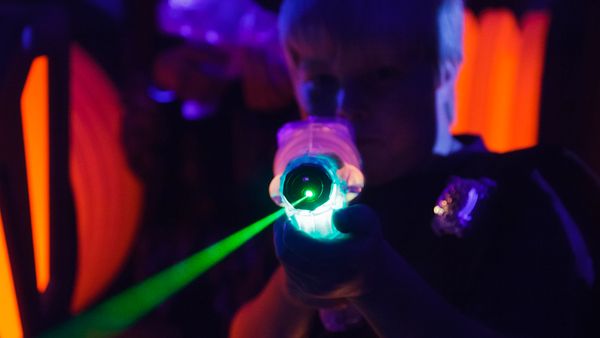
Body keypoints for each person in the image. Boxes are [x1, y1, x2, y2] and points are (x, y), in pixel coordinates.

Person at [230, 0, 597, 337]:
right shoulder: (303, 192)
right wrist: (295, 286)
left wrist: (375, 284)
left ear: (444, 70)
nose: (347, 104)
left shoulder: (524, 189)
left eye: (382, 74)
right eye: (322, 80)